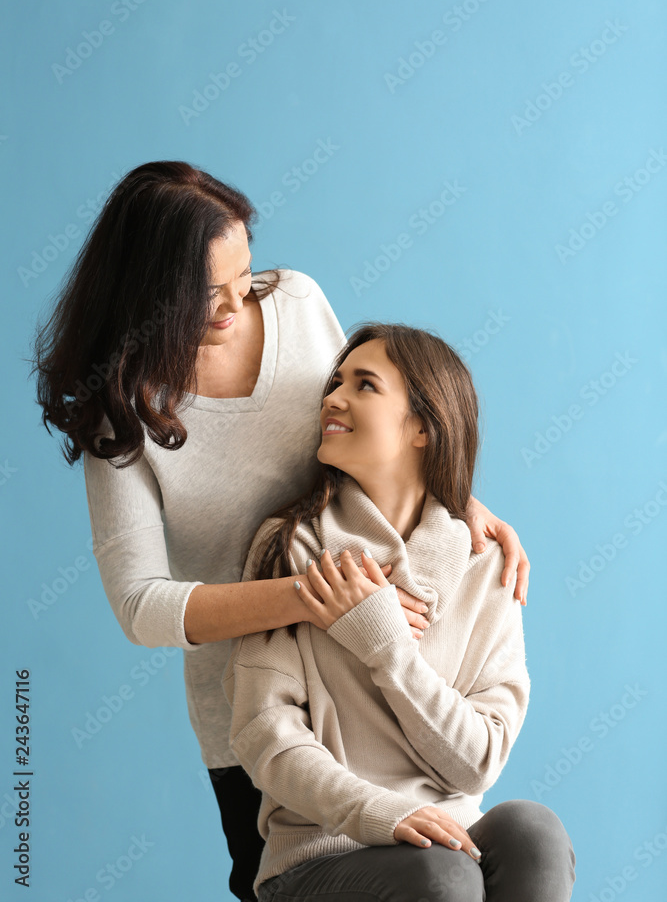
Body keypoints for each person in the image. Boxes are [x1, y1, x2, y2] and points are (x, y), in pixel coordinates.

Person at [32, 160, 532, 902]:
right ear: (149, 295)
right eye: (209, 295)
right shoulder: (124, 415)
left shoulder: (294, 302)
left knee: (503, 847)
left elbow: (378, 421)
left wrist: (459, 502)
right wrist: (312, 597)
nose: (238, 304)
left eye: (246, 275)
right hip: (266, 703)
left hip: (383, 683)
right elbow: (141, 605)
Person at [223, 323, 576, 902]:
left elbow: (478, 762)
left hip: (447, 843)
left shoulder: (487, 565)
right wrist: (377, 812)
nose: (332, 397)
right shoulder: (291, 547)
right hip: (324, 854)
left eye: (363, 385)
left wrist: (386, 646)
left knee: (531, 833)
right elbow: (265, 734)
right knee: (441, 873)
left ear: (422, 427)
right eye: (334, 382)